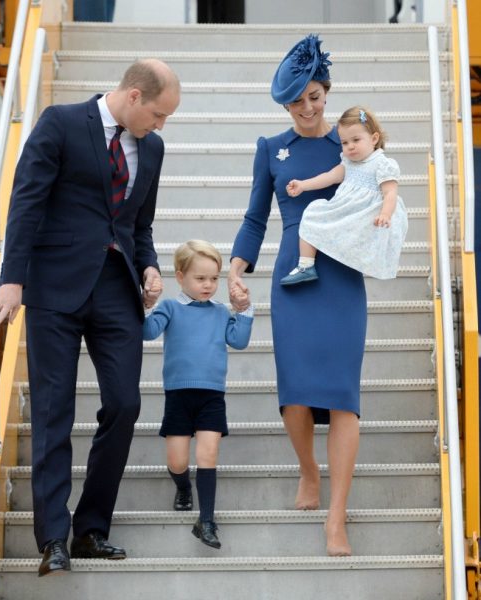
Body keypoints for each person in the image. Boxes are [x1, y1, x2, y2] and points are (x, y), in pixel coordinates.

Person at [0, 59, 181, 576]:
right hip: (55, 286)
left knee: (124, 403)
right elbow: (27, 200)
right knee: (53, 409)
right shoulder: (61, 122)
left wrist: (151, 266)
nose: (161, 126)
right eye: (158, 114)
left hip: (117, 289)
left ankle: (91, 528)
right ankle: (53, 539)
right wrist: (12, 277)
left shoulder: (152, 149)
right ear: (133, 96)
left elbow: (140, 222)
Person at [228, 34, 365, 557]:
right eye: (297, 101)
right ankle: (310, 470)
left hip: (343, 275)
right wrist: (236, 269)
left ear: (326, 90)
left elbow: (380, 188)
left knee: (344, 400)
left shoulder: (351, 143)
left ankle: (337, 516)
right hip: (293, 274)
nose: (309, 108)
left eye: (315, 95)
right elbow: (255, 217)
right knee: (295, 396)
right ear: (284, 104)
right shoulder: (270, 149)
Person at [143, 240, 253, 549]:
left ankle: (206, 521)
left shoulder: (220, 312)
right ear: (180, 277)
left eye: (214, 279)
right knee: (178, 460)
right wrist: (145, 303)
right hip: (178, 395)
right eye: (200, 278)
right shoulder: (170, 307)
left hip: (211, 396)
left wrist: (243, 310)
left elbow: (239, 341)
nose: (208, 285)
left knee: (208, 454)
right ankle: (182, 487)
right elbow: (147, 332)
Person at [280, 105, 408, 286]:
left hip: (367, 215)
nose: (350, 146)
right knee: (313, 212)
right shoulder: (348, 163)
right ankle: (306, 265)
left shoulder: (382, 164)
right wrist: (303, 185)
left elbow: (390, 193)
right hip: (346, 212)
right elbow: (329, 177)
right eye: (345, 142)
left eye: (356, 139)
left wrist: (385, 214)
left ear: (374, 138)